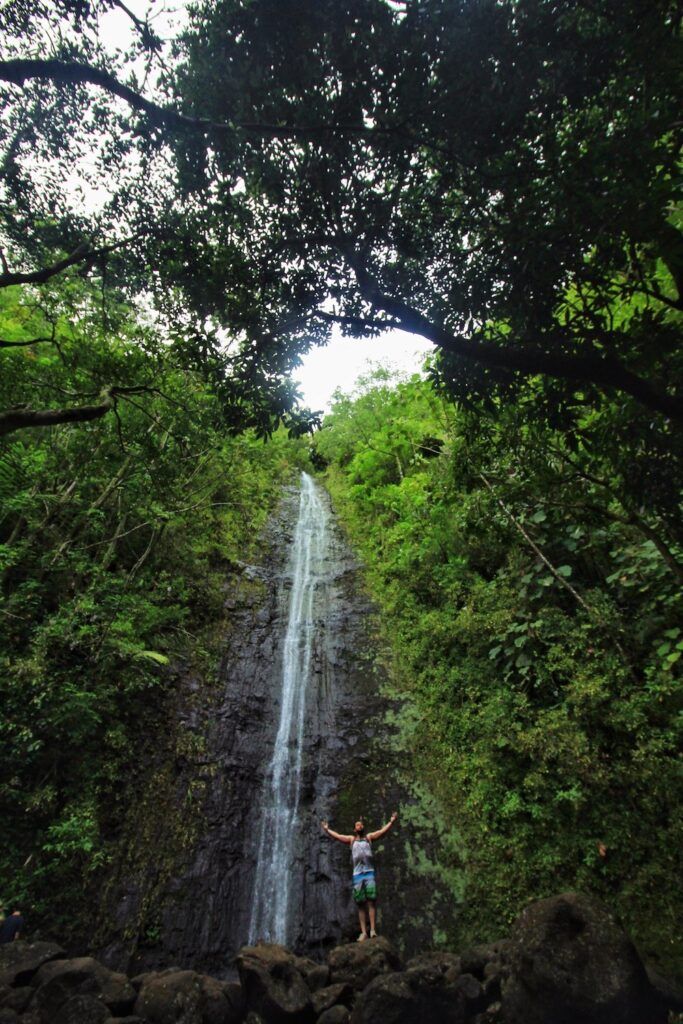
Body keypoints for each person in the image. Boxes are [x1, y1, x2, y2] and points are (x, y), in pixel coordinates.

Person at [321, 812, 398, 942]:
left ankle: (372, 930)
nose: (359, 826)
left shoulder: (369, 838)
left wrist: (391, 822)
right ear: (354, 829)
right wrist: (327, 830)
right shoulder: (351, 840)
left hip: (369, 873)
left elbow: (381, 832)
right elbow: (338, 836)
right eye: (357, 825)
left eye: (361, 825)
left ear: (363, 828)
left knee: (371, 901)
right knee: (360, 904)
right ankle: (363, 932)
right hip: (357, 875)